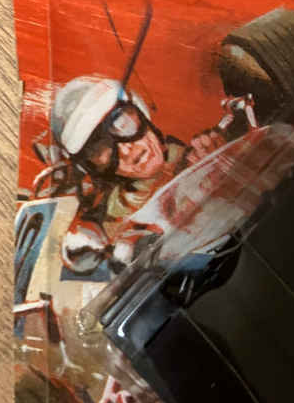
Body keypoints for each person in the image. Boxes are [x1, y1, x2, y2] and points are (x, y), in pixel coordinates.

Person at [48, 76, 224, 274]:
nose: (126, 149)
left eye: (121, 123)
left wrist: (221, 161)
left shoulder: (204, 150)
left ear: (141, 114)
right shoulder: (111, 219)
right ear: (95, 168)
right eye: (101, 149)